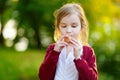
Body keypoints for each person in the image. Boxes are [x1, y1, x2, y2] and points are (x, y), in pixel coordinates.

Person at [38, 3, 98, 80]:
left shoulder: (88, 51)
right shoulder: (52, 48)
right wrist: (55, 52)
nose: (68, 31)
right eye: (64, 26)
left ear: (81, 27)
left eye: (74, 26)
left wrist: (78, 58)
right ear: (59, 27)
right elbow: (43, 77)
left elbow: (92, 79)